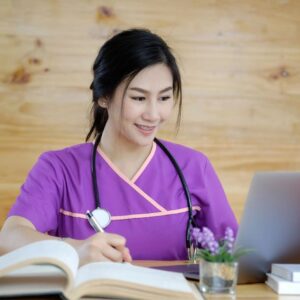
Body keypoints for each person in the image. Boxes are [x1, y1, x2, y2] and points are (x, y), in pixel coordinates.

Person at [0, 28, 238, 266]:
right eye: (138, 98)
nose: (154, 114)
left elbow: (236, 255)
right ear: (104, 96)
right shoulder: (58, 168)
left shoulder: (194, 166)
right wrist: (75, 249)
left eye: (164, 98)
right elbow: (9, 238)